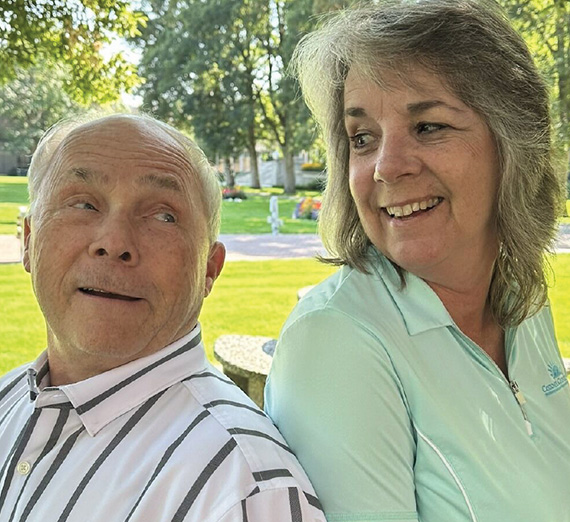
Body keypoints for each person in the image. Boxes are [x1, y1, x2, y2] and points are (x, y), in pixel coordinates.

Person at [264, 1, 570, 521]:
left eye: (428, 126)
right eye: (362, 138)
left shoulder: (520, 297)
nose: (387, 167)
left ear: (512, 143)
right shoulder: (336, 342)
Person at [0, 113, 325, 521]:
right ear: (29, 241)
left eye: (163, 216)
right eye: (83, 203)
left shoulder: (241, 492)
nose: (115, 242)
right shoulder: (9, 397)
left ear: (210, 269)